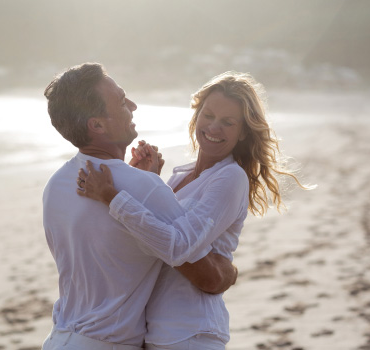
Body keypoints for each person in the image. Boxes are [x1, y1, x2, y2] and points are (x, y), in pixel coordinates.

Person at [77, 71, 314, 349]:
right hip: (155, 329)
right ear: (196, 115)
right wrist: (149, 179)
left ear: (243, 133)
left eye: (228, 122)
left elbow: (178, 246)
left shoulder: (230, 178)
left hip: (191, 331)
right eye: (209, 115)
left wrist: (111, 196)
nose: (214, 128)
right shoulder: (180, 177)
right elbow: (154, 236)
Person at [41, 62, 239, 350]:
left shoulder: (56, 184)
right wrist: (230, 271)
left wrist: (143, 181)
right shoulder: (143, 188)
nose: (132, 106)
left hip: (60, 338)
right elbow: (206, 276)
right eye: (122, 101)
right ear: (97, 124)